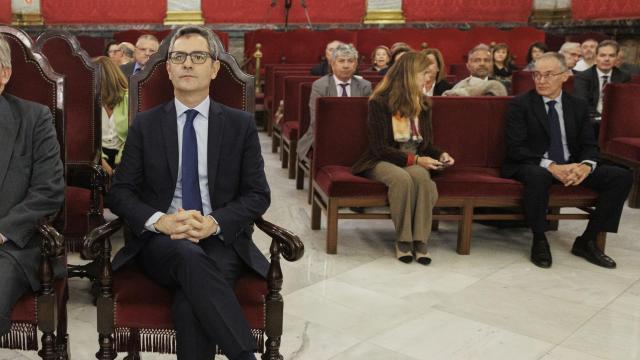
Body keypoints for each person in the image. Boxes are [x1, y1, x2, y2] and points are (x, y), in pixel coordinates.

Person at [106, 26, 268, 360]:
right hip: (161, 243)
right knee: (187, 256)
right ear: (167, 69)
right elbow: (120, 193)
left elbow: (257, 194)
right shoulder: (146, 125)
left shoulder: (240, 125)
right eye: (179, 57)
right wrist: (160, 222)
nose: (187, 64)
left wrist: (214, 223)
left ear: (215, 68)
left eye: (198, 56)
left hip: (221, 239)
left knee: (192, 300)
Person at [501, 52, 632, 269]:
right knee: (538, 175)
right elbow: (516, 148)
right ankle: (540, 238)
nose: (541, 81)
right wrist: (551, 166)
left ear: (565, 76)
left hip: (571, 164)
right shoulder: (520, 104)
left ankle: (588, 240)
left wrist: (585, 166)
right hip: (533, 164)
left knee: (621, 176)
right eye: (537, 75)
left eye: (549, 75)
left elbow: (590, 145)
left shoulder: (577, 106)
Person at [352, 52, 455, 265]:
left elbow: (425, 145)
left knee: (423, 179)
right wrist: (417, 160)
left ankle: (420, 241)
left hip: (413, 158)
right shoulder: (380, 102)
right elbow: (379, 148)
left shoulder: (423, 104)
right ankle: (403, 241)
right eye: (423, 73)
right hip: (380, 160)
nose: (428, 78)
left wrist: (440, 154)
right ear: (409, 75)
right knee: (402, 179)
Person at [0, 34, 65, 336]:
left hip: (12, 245)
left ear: (4, 73)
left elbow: (49, 189)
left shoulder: (34, 118)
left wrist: (3, 232)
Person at [297, 43, 372, 159]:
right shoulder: (320, 86)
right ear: (332, 64)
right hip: (324, 134)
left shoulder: (365, 86)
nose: (346, 65)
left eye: (350, 61)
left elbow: (368, 118)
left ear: (356, 64)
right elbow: (317, 119)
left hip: (357, 135)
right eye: (341, 61)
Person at [573, 40, 631, 122]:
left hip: (615, 120)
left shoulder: (624, 77)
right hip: (590, 119)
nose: (607, 59)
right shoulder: (583, 77)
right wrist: (600, 118)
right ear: (596, 57)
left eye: (611, 56)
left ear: (616, 58)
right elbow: (582, 104)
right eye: (602, 55)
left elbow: (624, 103)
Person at [94, 56, 129, 177]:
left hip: (126, 156)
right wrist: (101, 162)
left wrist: (120, 165)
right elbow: (85, 139)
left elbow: (133, 136)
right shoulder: (89, 101)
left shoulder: (128, 99)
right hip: (97, 157)